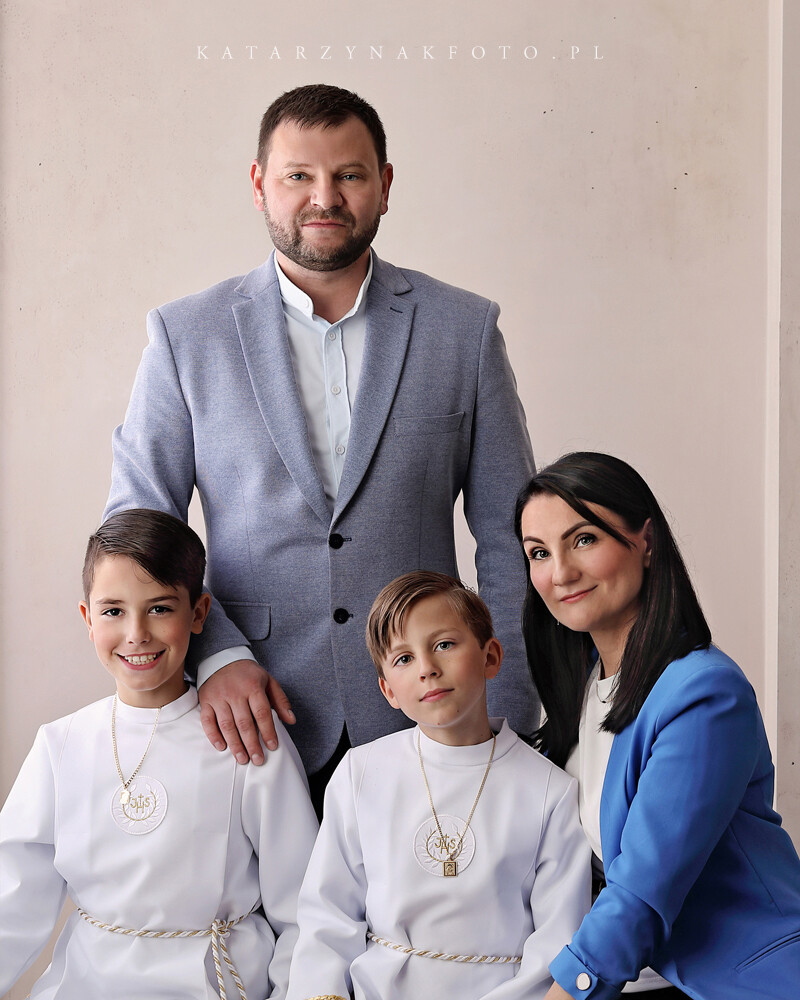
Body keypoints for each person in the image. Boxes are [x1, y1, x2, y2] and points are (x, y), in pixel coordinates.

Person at [104, 84, 537, 810]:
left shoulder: (463, 330)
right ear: (259, 184)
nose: (324, 197)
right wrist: (218, 654)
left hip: (433, 714)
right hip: (248, 719)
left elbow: (510, 534)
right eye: (298, 175)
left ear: (385, 185)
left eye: (349, 174)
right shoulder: (186, 337)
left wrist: (510, 703)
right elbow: (137, 532)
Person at [514, 452, 800, 1000]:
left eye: (583, 540)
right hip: (647, 976)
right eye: (539, 553)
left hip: (748, 981)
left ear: (645, 541)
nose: (560, 573)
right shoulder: (583, 690)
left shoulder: (704, 694)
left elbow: (641, 893)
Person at [0, 509, 318, 1000]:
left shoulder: (247, 736)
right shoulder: (60, 745)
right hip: (88, 986)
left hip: (218, 983)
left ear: (199, 614)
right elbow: (12, 902)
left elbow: (303, 907)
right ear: (87, 619)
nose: (136, 634)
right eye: (113, 611)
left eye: (160, 609)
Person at [285, 571, 590, 1000]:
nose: (427, 668)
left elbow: (557, 939)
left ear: (490, 657)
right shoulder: (361, 772)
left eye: (444, 645)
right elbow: (327, 913)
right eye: (403, 659)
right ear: (389, 691)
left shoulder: (549, 791)